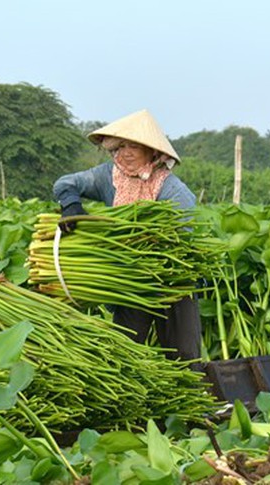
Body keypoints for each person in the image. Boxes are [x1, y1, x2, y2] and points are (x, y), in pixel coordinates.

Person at [53, 109, 201, 360]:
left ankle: (190, 384)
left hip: (171, 277)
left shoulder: (172, 189)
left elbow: (181, 233)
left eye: (134, 146)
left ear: (152, 151)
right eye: (121, 147)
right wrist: (71, 205)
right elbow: (65, 183)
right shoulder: (108, 176)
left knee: (184, 354)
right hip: (130, 278)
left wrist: (144, 246)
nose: (126, 153)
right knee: (126, 350)